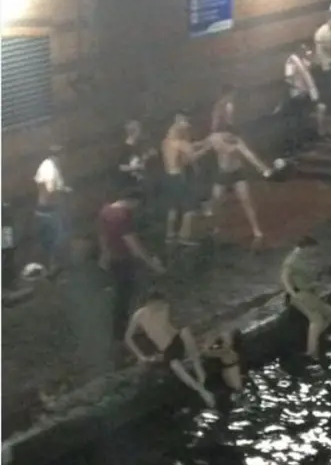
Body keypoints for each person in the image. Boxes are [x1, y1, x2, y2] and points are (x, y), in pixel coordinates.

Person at [124, 290, 215, 407]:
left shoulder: (165, 308)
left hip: (175, 340)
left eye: (160, 304)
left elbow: (169, 327)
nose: (158, 307)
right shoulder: (139, 315)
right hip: (166, 349)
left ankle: (199, 368)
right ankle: (202, 392)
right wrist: (140, 356)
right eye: (155, 305)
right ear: (148, 304)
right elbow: (128, 337)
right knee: (175, 365)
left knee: (185, 332)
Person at [98, 189, 165, 342]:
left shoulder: (105, 210)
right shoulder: (123, 215)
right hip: (124, 260)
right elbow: (132, 243)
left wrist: (104, 255)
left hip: (113, 259)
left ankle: (122, 329)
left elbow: (102, 235)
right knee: (130, 295)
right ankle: (129, 329)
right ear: (133, 201)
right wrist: (151, 263)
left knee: (120, 296)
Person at [207, 131, 273, 243]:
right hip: (222, 174)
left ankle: (255, 228)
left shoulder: (237, 144)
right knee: (216, 200)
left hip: (237, 173)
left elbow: (250, 157)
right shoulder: (214, 138)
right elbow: (203, 145)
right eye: (228, 136)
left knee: (246, 200)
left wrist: (262, 168)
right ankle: (216, 225)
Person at [281, 236, 331, 361]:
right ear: (306, 248)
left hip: (309, 293)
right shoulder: (292, 261)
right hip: (300, 294)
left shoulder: (305, 258)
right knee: (316, 319)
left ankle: (314, 339)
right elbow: (285, 279)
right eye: (313, 249)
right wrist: (293, 293)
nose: (314, 252)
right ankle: (312, 350)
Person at [161, 112, 212, 245]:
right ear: (179, 123)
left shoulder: (166, 142)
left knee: (173, 207)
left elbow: (190, 146)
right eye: (186, 123)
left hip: (168, 177)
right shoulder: (180, 143)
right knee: (189, 208)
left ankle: (170, 236)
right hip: (178, 178)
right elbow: (192, 157)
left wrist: (204, 142)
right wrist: (207, 148)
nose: (188, 126)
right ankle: (184, 237)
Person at [282, 43, 326, 156]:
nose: (305, 51)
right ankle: (298, 144)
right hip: (297, 94)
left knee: (304, 118)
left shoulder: (302, 60)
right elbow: (288, 78)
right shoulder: (291, 61)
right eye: (303, 49)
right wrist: (297, 88)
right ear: (297, 49)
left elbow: (312, 65)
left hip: (305, 94)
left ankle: (306, 141)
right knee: (299, 120)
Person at [34, 145, 71, 277]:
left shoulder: (48, 166)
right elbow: (50, 189)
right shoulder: (50, 168)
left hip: (46, 210)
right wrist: (63, 191)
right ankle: (51, 271)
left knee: (52, 241)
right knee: (55, 241)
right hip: (49, 211)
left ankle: (51, 270)